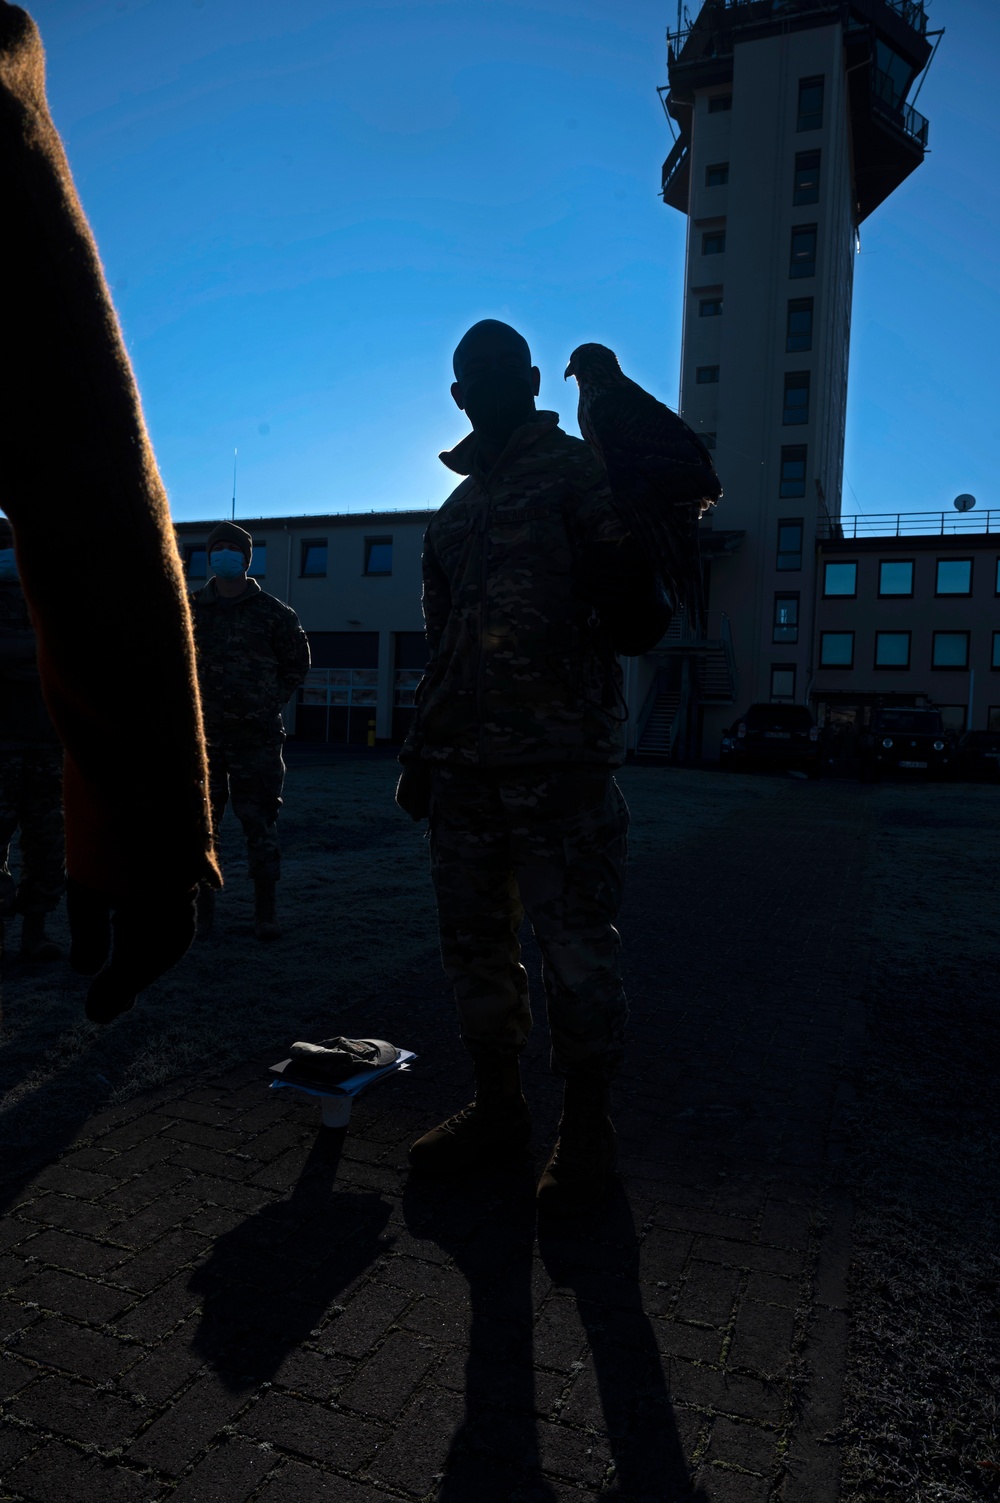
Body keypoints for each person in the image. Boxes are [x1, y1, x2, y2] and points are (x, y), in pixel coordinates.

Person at [396, 319, 672, 1215]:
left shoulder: (580, 473)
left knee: (577, 952)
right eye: (473, 374)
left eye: (506, 369)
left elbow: (639, 616)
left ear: (530, 378)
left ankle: (587, 1128)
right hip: (464, 773)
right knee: (475, 947)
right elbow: (441, 649)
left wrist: (638, 583)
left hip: (562, 766)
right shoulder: (454, 514)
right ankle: (500, 1108)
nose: (490, 383)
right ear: (458, 393)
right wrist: (419, 754)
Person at [190, 522, 310, 942]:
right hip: (202, 742)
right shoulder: (190, 609)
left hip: (256, 740)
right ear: (209, 556)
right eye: (217, 547)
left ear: (246, 559)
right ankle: (202, 916)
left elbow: (297, 665)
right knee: (203, 829)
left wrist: (266, 703)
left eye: (232, 548)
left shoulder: (275, 613)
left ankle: (265, 913)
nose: (224, 554)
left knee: (259, 826)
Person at [0, 518, 65, 961]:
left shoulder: (50, 600)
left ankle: (35, 932)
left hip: (47, 746)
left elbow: (69, 654)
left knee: (47, 845)